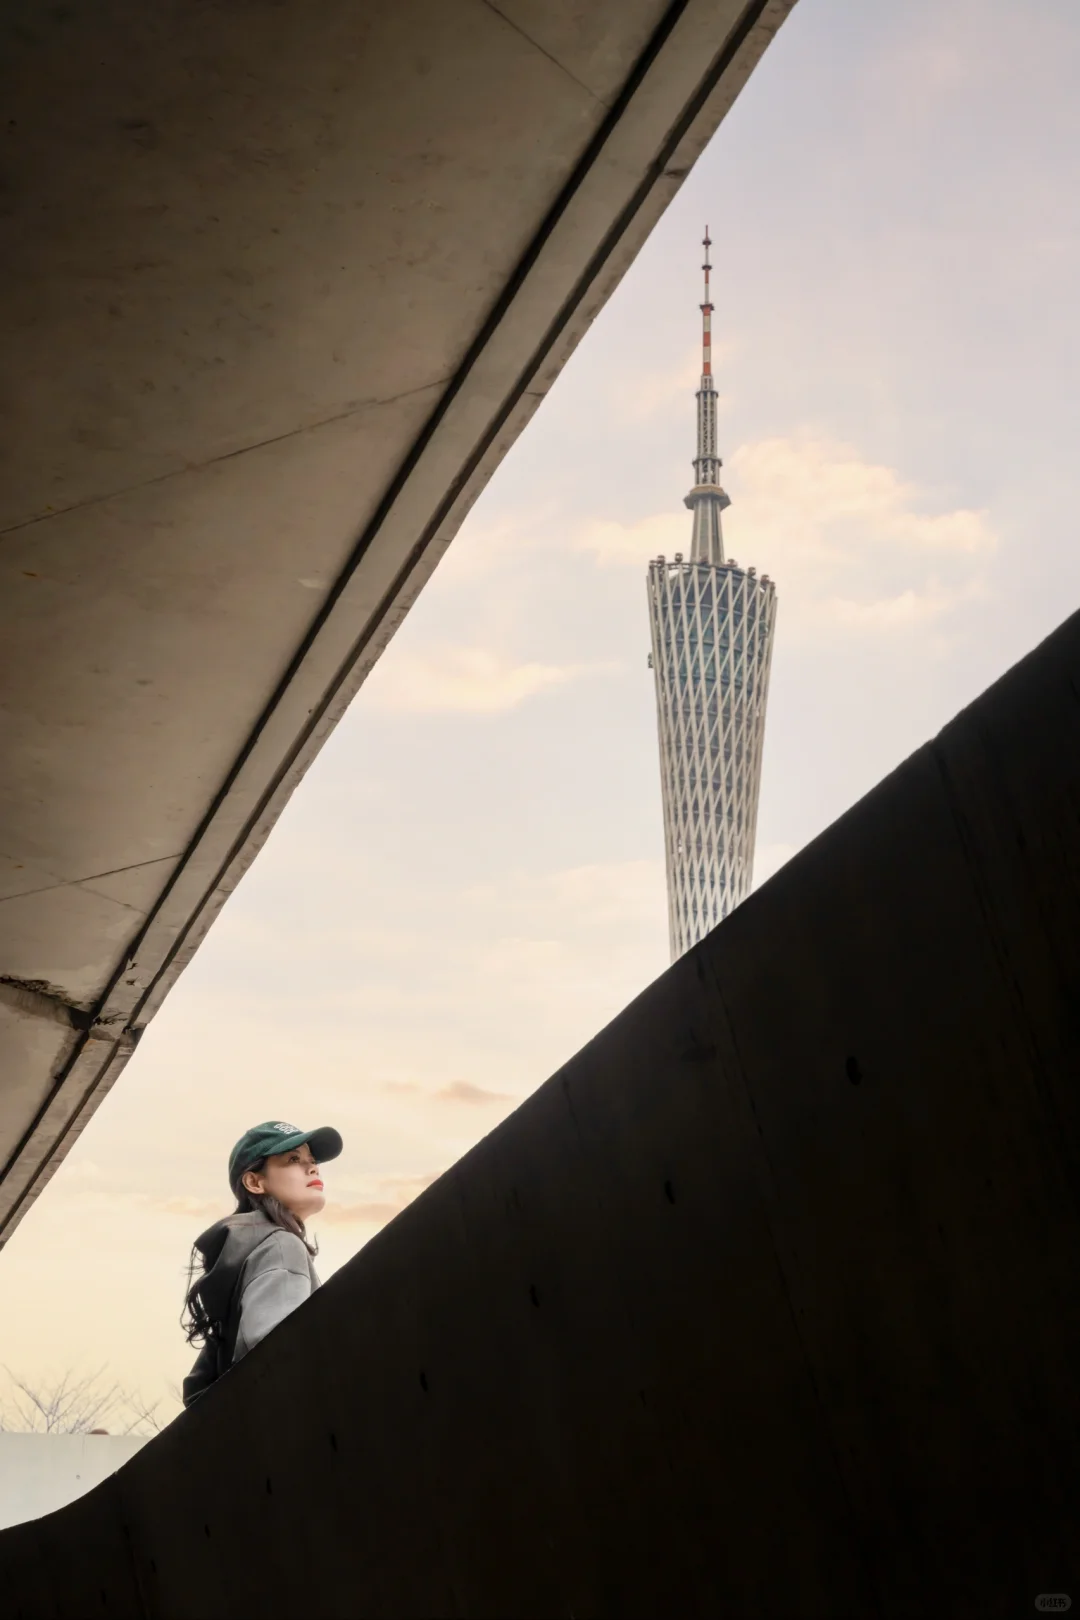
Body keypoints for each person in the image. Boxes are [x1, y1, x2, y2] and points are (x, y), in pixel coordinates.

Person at [181, 1120, 342, 1406]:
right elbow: (277, 1353)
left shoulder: (245, 1254)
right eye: (293, 1159)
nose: (312, 1167)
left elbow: (198, 1387)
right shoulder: (282, 1245)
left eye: (312, 1160)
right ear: (255, 1182)